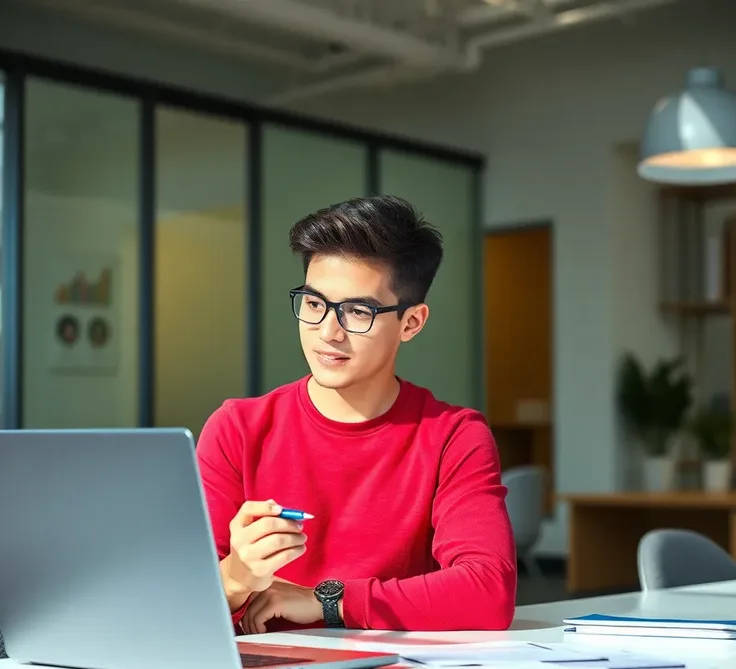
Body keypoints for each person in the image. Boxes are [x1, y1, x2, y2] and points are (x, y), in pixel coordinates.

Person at [196, 195, 516, 633]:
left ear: (411, 323)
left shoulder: (453, 436)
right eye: (313, 304)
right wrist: (237, 576)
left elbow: (488, 591)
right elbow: (174, 605)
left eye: (357, 312)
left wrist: (329, 601)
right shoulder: (238, 429)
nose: (328, 332)